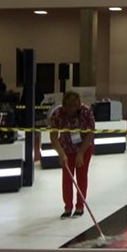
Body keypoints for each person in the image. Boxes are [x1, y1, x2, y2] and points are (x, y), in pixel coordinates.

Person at [48, 91, 95, 219]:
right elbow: (53, 136)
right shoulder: (58, 114)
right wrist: (61, 153)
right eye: (68, 106)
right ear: (64, 105)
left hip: (84, 147)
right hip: (67, 148)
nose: (71, 109)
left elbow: (90, 134)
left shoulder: (86, 112)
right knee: (67, 178)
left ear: (79, 105)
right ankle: (68, 207)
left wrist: (80, 153)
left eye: (74, 106)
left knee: (81, 176)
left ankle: (80, 206)